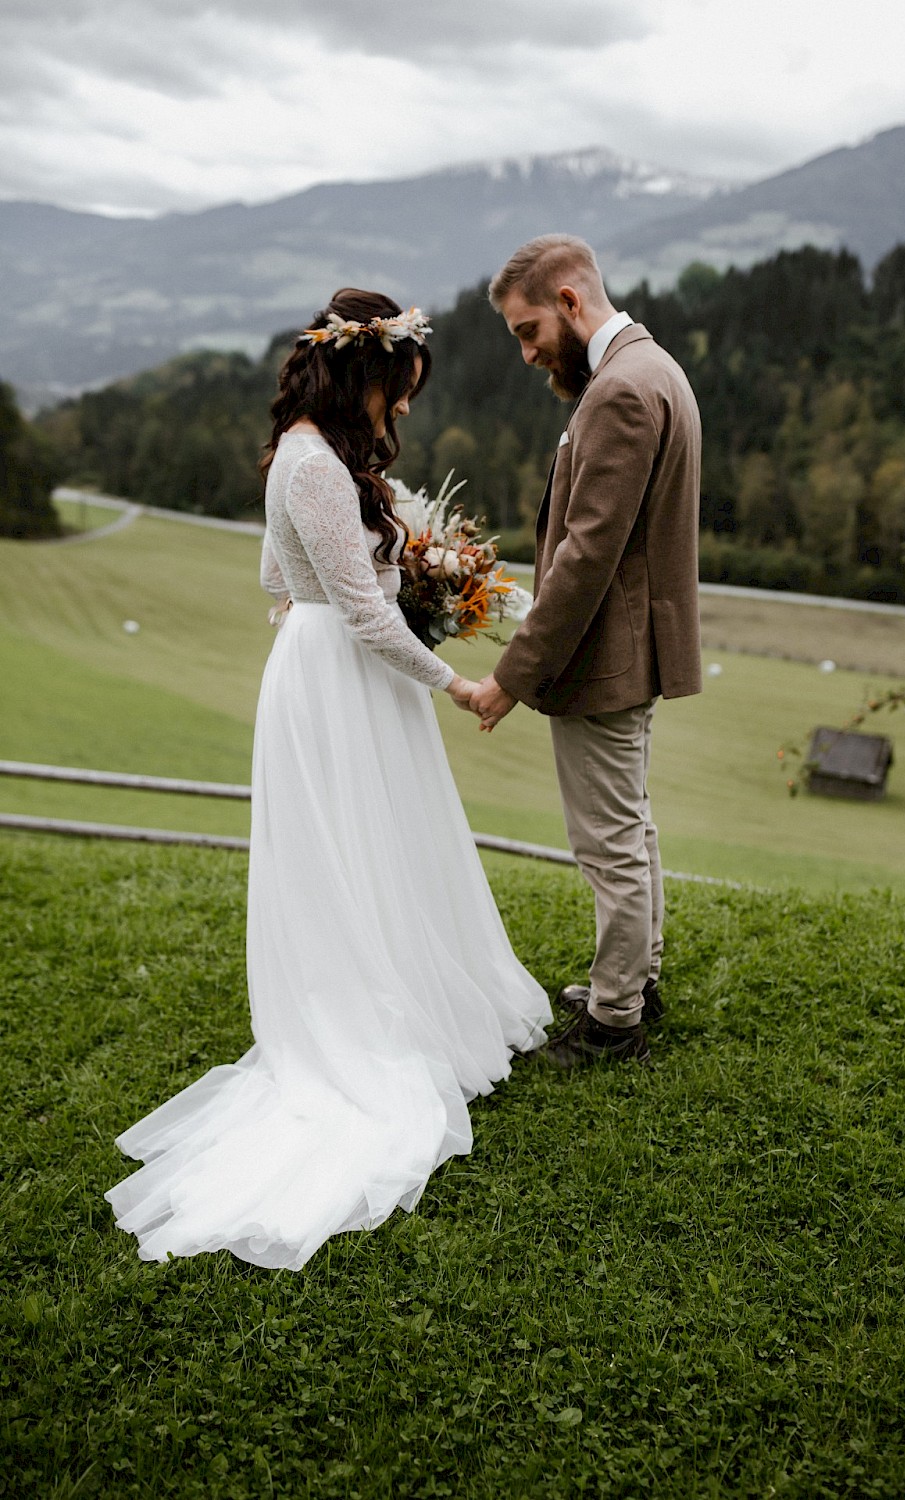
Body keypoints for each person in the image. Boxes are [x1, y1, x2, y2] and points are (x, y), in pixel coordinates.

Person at [105, 289, 551, 1269]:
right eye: (398, 392)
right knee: (349, 854)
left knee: (382, 845)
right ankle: (367, 1020)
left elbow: (279, 581)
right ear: (367, 375)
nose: (402, 410)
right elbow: (350, 606)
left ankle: (412, 988)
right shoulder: (313, 462)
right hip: (344, 677)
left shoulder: (313, 455)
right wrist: (454, 680)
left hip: (342, 673)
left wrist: (398, 592)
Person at [472, 236, 702, 1071]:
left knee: (607, 842)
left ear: (570, 301)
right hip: (631, 647)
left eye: (529, 330)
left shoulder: (621, 393)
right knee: (628, 829)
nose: (529, 354)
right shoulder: (653, 369)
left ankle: (613, 1024)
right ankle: (634, 980)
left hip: (606, 656)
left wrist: (511, 675)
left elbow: (585, 556)